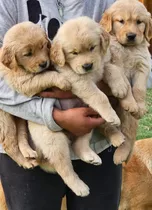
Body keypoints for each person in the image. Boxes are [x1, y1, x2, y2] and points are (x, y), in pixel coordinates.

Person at [0, 0, 122, 210]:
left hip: (99, 142)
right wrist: (54, 116)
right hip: (34, 149)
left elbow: (132, 55)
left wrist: (95, 85)